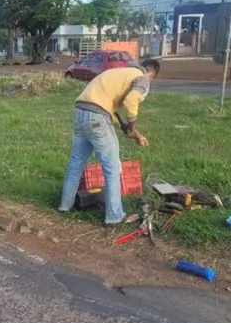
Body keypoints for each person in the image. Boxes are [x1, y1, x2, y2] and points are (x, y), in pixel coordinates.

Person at [57, 58, 161, 225]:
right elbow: (131, 101)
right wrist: (133, 127)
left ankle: (65, 206)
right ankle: (114, 215)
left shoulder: (118, 72)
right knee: (112, 166)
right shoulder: (142, 78)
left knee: (75, 163)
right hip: (97, 117)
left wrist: (131, 131)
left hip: (80, 112)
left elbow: (110, 109)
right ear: (152, 74)